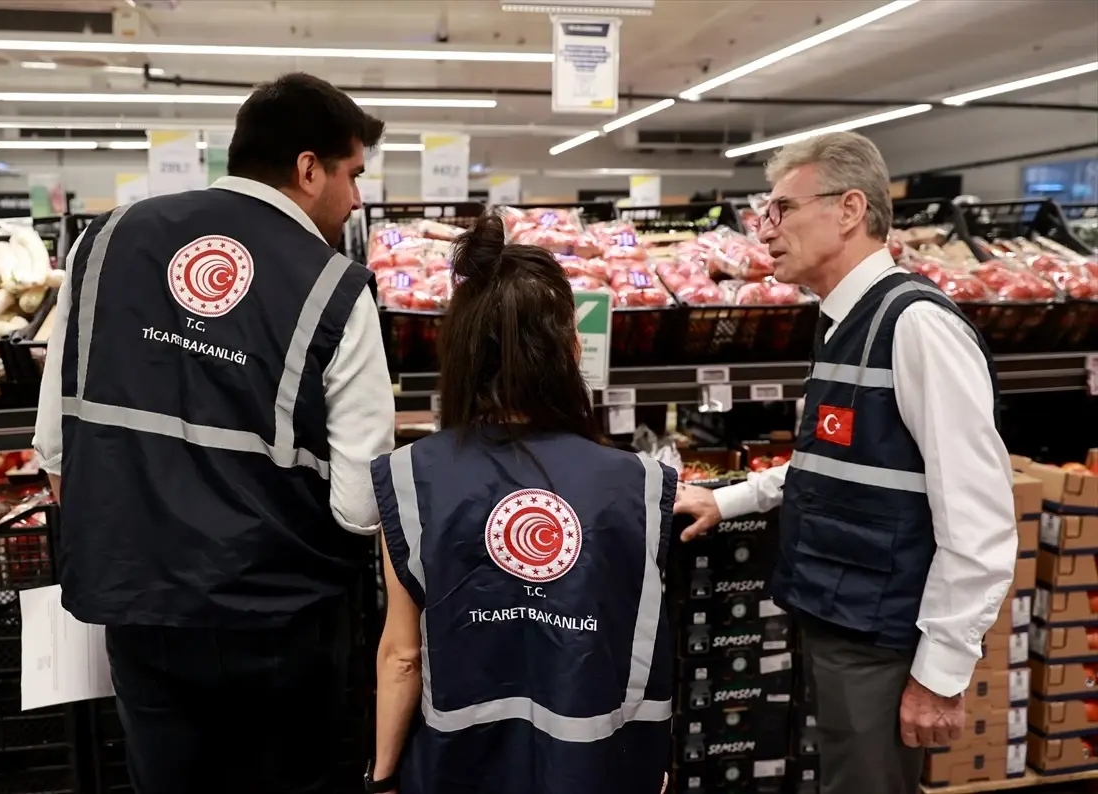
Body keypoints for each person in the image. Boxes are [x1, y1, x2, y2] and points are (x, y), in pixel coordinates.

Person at [32, 72, 396, 794]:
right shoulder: (335, 288)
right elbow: (361, 505)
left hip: (140, 603)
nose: (356, 199)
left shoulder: (104, 243)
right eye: (353, 175)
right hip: (281, 619)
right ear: (308, 168)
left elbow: (55, 445)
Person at [673, 132, 1017, 794]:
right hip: (838, 617)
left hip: (881, 638)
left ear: (850, 209)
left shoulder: (916, 326)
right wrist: (730, 498)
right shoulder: (842, 321)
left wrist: (941, 674)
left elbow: (980, 521)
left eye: (782, 209)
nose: (765, 230)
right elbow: (832, 461)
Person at [366, 211, 675, 794]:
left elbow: (402, 656)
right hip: (596, 770)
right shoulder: (639, 483)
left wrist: (381, 778)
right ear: (568, 350)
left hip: (457, 770)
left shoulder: (412, 478)